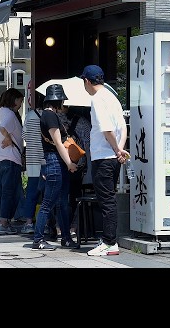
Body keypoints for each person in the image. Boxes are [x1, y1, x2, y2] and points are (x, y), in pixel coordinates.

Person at [80, 65, 128, 256]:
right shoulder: (112, 96)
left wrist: (116, 149)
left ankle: (109, 242)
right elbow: (123, 127)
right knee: (110, 199)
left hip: (103, 157)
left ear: (87, 81)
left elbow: (106, 129)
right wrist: (120, 151)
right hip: (113, 158)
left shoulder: (97, 99)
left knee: (106, 201)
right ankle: (109, 241)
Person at [31, 83, 78, 251]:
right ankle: (38, 239)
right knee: (48, 203)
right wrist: (69, 163)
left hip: (55, 161)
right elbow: (58, 142)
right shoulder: (50, 116)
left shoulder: (48, 115)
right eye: (62, 101)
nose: (63, 104)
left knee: (62, 203)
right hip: (55, 161)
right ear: (57, 101)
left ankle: (65, 238)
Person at [0, 88, 25, 235]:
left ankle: (1, 220)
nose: (21, 104)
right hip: (11, 158)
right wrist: (6, 136)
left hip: (0, 157)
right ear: (14, 100)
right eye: (20, 100)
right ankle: (3, 223)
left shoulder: (0, 112)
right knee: (9, 192)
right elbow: (2, 127)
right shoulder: (10, 114)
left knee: (2, 191)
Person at [18, 90, 45, 234]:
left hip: (33, 159)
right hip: (47, 160)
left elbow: (25, 136)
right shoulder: (51, 116)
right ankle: (46, 223)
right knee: (48, 194)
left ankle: (29, 222)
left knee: (32, 192)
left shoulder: (30, 116)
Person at [62, 104, 92, 233]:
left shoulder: (54, 120)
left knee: (59, 197)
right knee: (75, 196)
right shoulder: (83, 122)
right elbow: (88, 146)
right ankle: (73, 227)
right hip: (77, 165)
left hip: (60, 163)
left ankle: (59, 227)